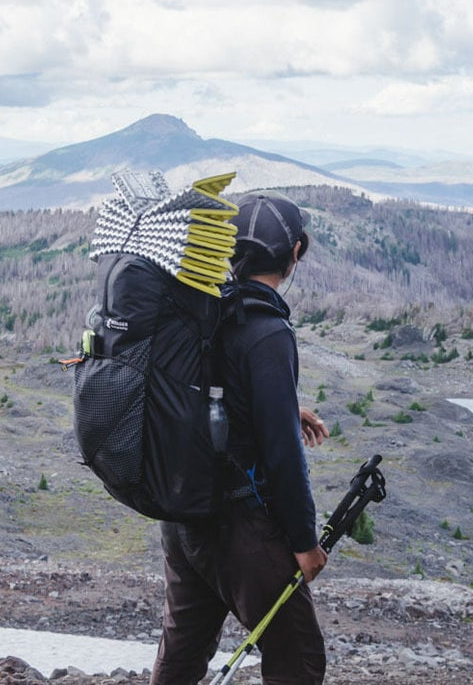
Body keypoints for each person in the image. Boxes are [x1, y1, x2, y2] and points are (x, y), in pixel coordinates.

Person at [150, 191, 329, 685]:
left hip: (184, 518)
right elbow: (282, 455)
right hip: (238, 528)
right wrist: (303, 541)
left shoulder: (205, 310)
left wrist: (284, 406)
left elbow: (211, 388)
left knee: (183, 652)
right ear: (295, 253)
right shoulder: (268, 331)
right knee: (299, 657)